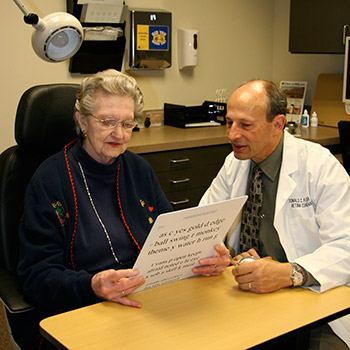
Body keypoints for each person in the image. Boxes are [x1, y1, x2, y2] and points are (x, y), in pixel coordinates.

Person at [14, 69, 230, 349]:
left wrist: (204, 254)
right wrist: (91, 285)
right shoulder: (50, 180)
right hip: (84, 310)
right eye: (107, 122)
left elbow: (171, 234)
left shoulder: (138, 169)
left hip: (146, 300)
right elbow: (36, 276)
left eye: (128, 124)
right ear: (82, 121)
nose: (119, 134)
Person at [199, 79, 350, 349]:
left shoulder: (319, 166)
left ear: (277, 125)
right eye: (229, 122)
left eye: (245, 125)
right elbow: (202, 224)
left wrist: (287, 273)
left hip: (312, 300)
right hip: (246, 297)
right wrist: (222, 253)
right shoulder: (234, 164)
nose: (232, 135)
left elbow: (346, 246)